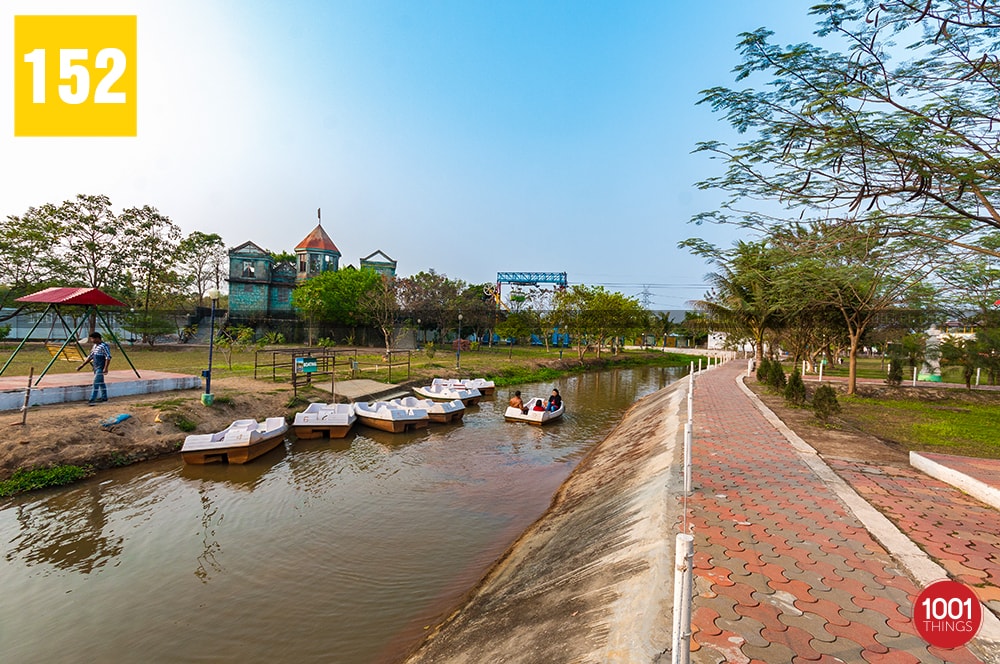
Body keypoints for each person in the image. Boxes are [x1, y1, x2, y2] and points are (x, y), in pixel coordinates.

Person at [77, 332, 112, 405]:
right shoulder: (95, 346)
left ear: (97, 338)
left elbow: (108, 357)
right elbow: (91, 356)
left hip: (100, 367)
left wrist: (105, 368)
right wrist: (82, 365)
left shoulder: (104, 346)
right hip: (95, 367)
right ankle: (104, 397)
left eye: (92, 338)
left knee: (96, 383)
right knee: (101, 383)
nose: (91, 340)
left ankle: (92, 399)